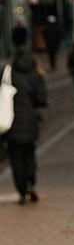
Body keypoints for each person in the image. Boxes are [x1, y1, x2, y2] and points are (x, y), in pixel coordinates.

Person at [1, 46, 48, 204]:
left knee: (15, 158)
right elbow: (41, 100)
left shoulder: (7, 73)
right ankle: (30, 184)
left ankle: (21, 190)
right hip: (30, 122)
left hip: (11, 123)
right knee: (29, 154)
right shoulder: (36, 74)